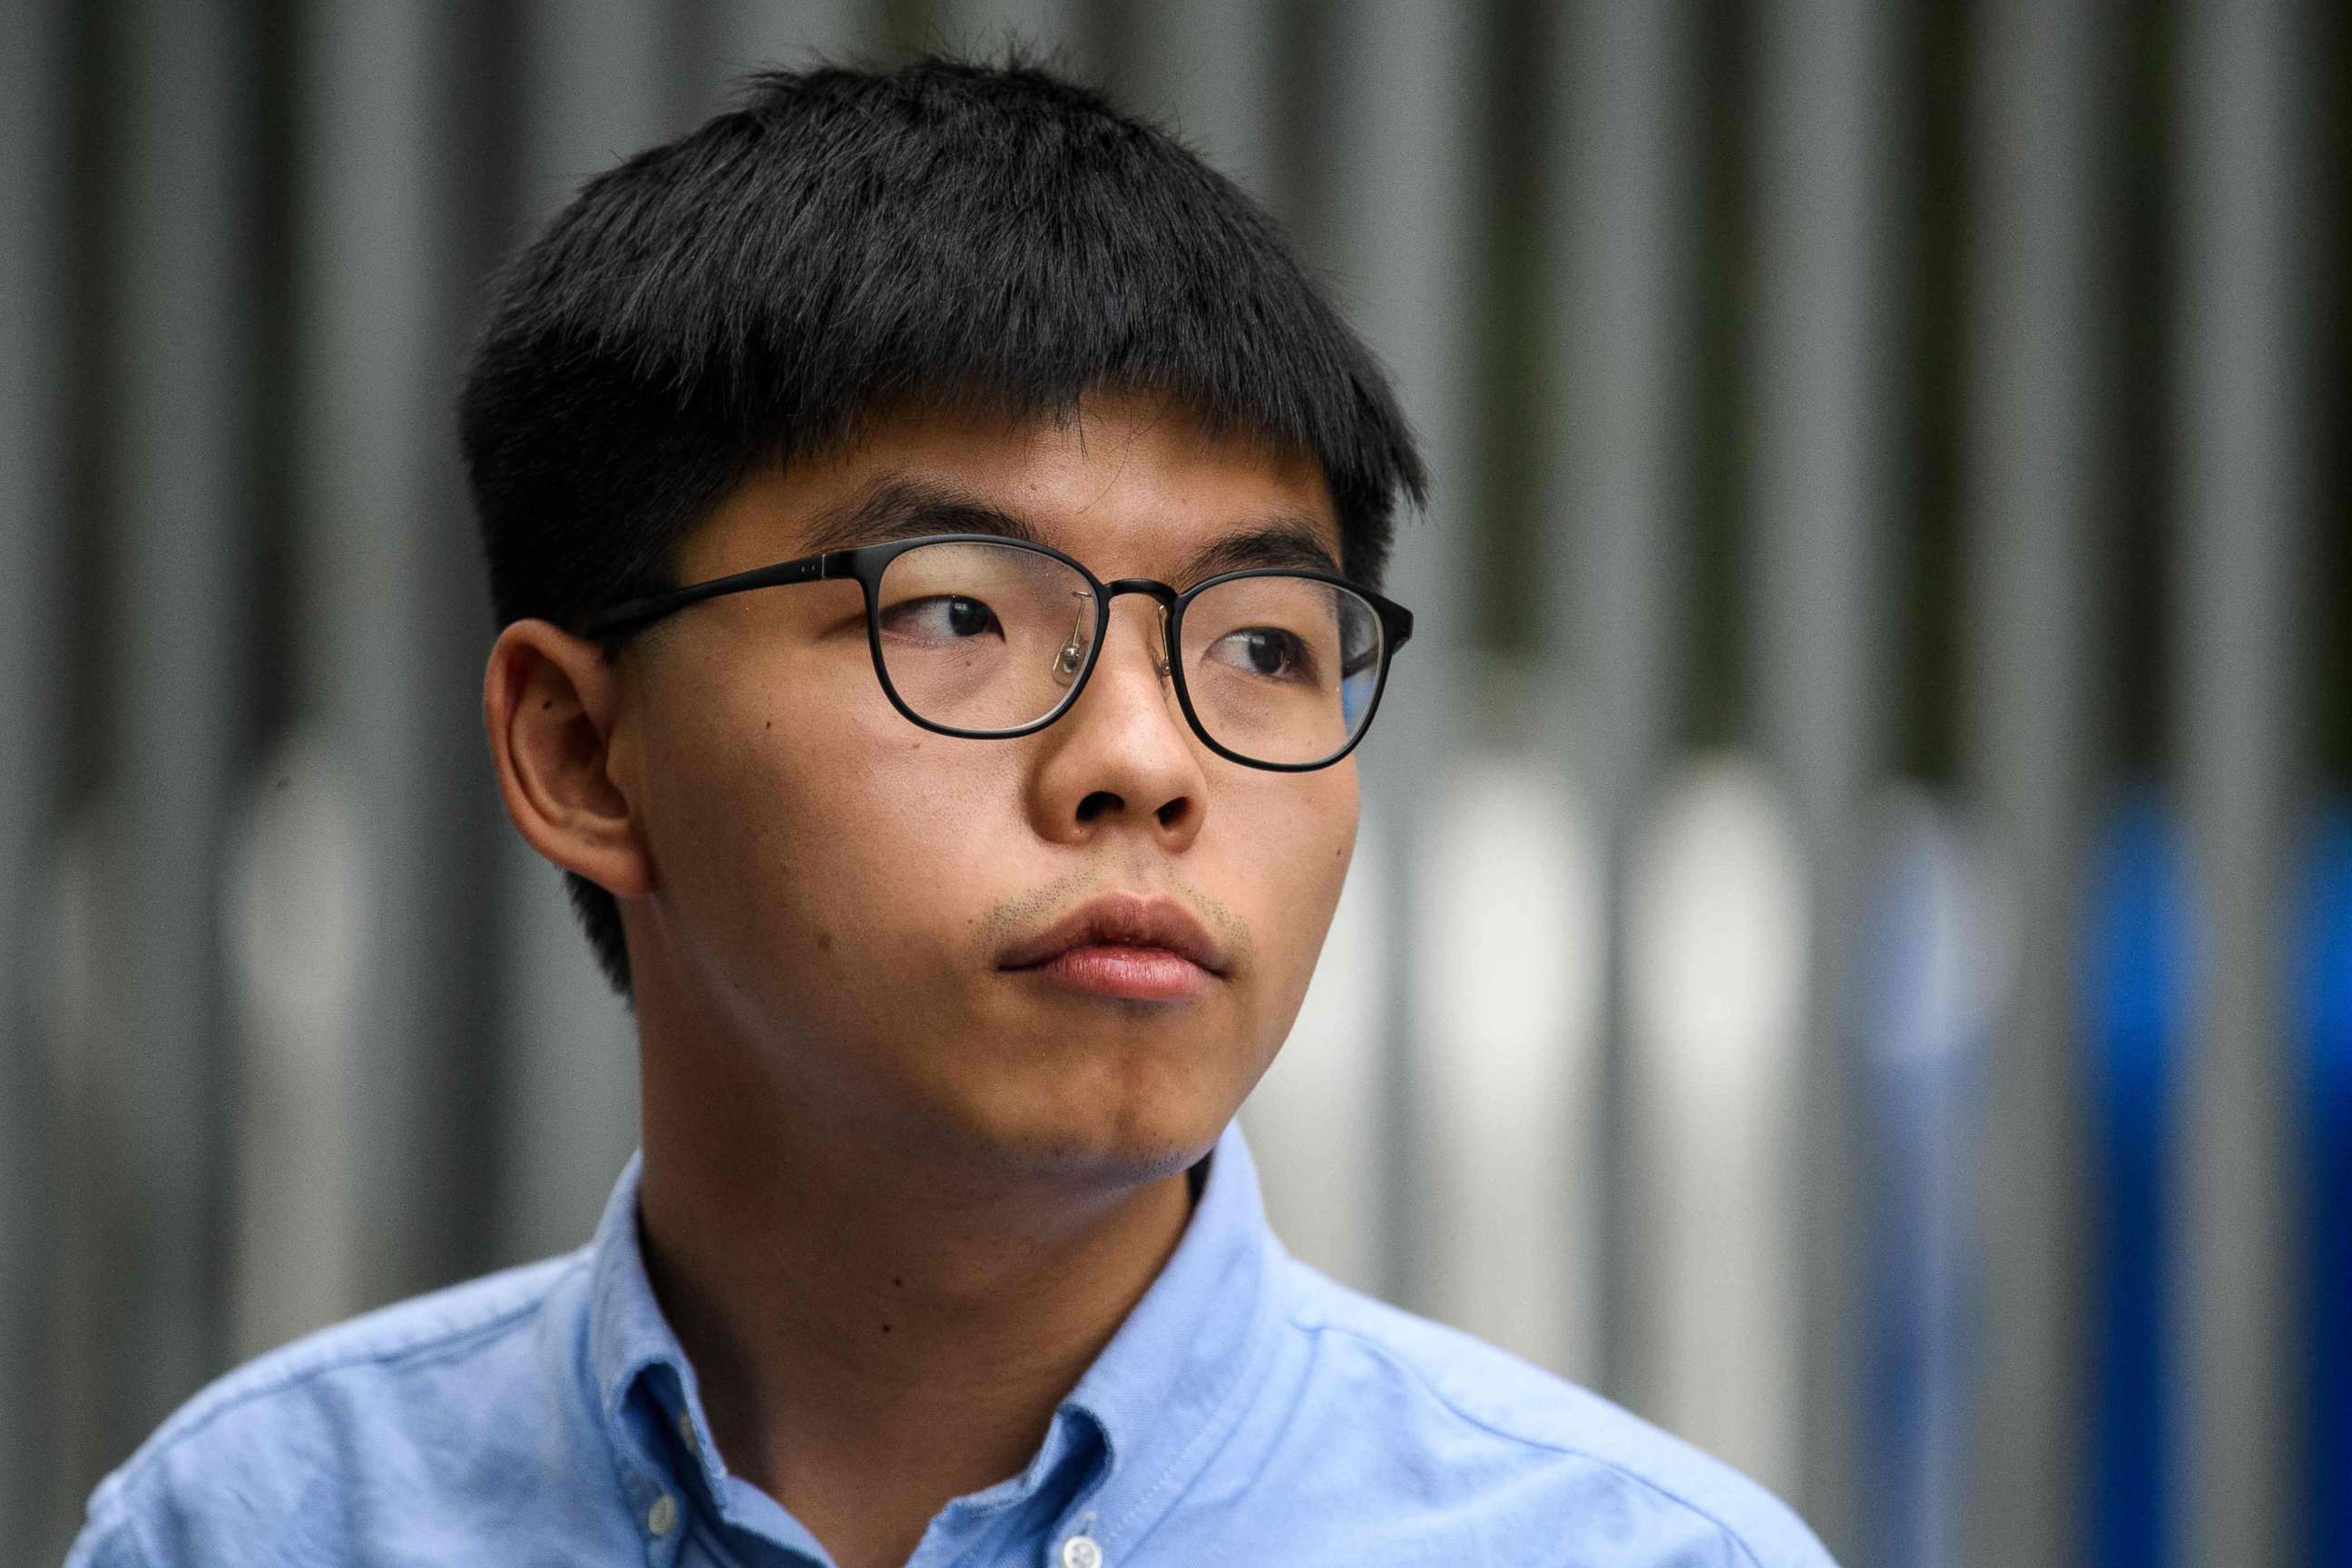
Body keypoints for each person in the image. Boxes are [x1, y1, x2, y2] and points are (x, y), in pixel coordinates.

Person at [64, 45, 1834, 1568]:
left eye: (1268, 645)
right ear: (583, 755)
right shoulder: (265, 1525)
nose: (1145, 762)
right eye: (959, 616)